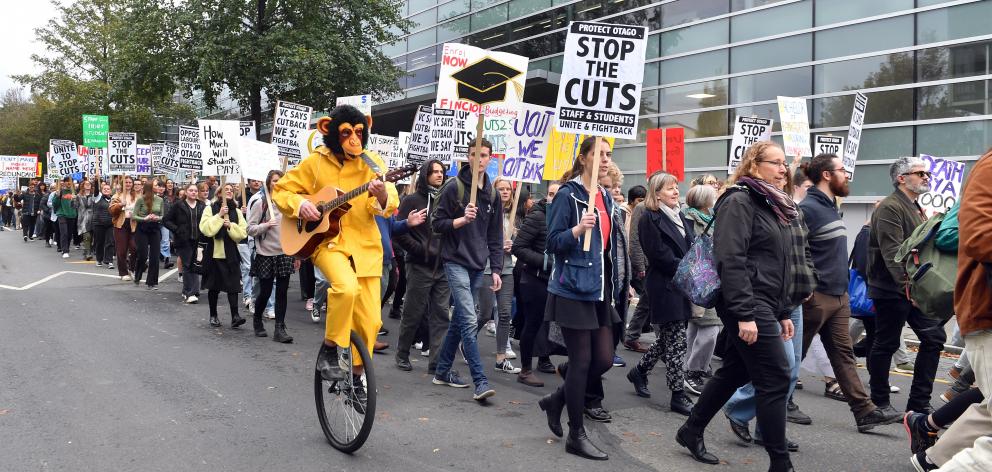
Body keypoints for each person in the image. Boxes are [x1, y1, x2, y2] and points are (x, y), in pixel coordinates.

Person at [676, 141, 795, 472]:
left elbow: (777, 262)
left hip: (766, 303)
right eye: (776, 163)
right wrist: (744, 314)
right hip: (747, 303)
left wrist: (783, 310)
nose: (784, 169)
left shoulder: (772, 203)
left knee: (736, 370)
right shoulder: (739, 200)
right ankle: (780, 462)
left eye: (785, 163)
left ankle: (691, 429)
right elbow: (732, 259)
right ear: (755, 165)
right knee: (775, 377)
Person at [272, 105, 398, 410]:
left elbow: (388, 202)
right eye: (347, 132)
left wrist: (381, 195)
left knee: (370, 322)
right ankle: (330, 347)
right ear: (330, 130)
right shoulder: (315, 163)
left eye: (358, 132)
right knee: (345, 288)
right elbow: (281, 191)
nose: (354, 137)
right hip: (328, 244)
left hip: (366, 247)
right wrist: (300, 204)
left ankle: (355, 379)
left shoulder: (372, 162)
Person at [797, 153, 904, 432]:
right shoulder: (807, 208)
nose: (848, 175)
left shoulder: (831, 206)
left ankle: (864, 411)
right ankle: (758, 404)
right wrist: (807, 288)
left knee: (843, 355)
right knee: (790, 356)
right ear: (827, 175)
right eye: (843, 170)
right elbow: (797, 251)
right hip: (816, 296)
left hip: (839, 296)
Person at [538, 137, 622, 461]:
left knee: (602, 360)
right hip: (572, 287)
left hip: (598, 290)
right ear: (584, 157)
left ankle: (557, 399)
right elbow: (552, 243)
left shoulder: (604, 196)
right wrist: (576, 229)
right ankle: (576, 434)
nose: (605, 160)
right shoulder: (567, 194)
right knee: (583, 361)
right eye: (599, 154)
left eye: (608, 155)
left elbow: (606, 250)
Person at [909, 148, 992, 471]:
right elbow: (975, 237)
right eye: (920, 174)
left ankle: (933, 457)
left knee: (987, 407)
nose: (925, 179)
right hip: (986, 311)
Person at [867, 156, 946, 415]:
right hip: (893, 288)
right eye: (920, 173)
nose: (926, 177)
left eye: (927, 174)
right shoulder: (890, 207)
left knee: (934, 338)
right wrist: (908, 289)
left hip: (912, 289)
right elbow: (893, 254)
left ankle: (919, 404)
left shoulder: (915, 206)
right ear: (902, 178)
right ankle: (878, 402)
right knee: (886, 343)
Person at [430, 138, 502, 402]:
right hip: (455, 261)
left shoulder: (492, 194)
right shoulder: (454, 187)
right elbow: (436, 224)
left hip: (477, 264)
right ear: (468, 156)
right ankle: (480, 382)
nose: (479, 159)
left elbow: (495, 234)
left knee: (461, 320)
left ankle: (442, 370)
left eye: (484, 155)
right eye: (474, 154)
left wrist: (496, 268)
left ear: (490, 158)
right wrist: (461, 220)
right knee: (470, 319)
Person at [626, 172, 695, 416]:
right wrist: (686, 267)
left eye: (676, 187)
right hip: (665, 284)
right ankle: (677, 393)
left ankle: (639, 371)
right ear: (656, 194)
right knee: (676, 340)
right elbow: (658, 254)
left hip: (681, 282)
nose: (676, 191)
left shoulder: (680, 216)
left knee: (669, 337)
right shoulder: (650, 218)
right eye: (669, 189)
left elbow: (690, 244)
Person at [394, 159, 451, 374]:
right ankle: (402, 353)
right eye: (434, 171)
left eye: (441, 171)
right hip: (419, 265)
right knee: (413, 312)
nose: (439, 175)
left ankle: (436, 362)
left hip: (443, 266)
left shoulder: (448, 200)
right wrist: (421, 250)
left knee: (441, 315)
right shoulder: (412, 200)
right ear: (425, 174)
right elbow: (399, 233)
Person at [512, 182, 560, 387]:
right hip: (535, 280)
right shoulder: (538, 216)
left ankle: (549, 359)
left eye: (558, 194)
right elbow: (518, 247)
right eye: (550, 194)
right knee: (533, 323)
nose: (554, 198)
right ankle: (525, 369)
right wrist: (545, 261)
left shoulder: (566, 218)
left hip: (557, 280)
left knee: (555, 323)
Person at [476, 177, 519, 374]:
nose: (505, 192)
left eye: (508, 189)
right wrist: (496, 246)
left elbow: (521, 243)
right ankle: (464, 341)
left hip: (507, 269)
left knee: (504, 314)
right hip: (487, 268)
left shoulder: (514, 216)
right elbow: (476, 239)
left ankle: (501, 357)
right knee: (484, 313)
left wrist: (513, 246)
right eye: (500, 188)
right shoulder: (485, 213)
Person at [246, 170, 295, 342]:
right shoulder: (261, 203)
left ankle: (279, 328)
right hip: (265, 253)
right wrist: (266, 225)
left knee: (282, 292)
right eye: (274, 180)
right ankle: (257, 319)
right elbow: (250, 229)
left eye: (281, 180)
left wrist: (297, 253)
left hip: (285, 252)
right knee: (265, 291)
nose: (278, 183)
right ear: (268, 183)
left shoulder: (290, 203)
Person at [681, 184, 721, 394]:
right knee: (710, 329)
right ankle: (693, 371)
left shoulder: (712, 217)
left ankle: (686, 369)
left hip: (710, 278)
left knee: (695, 327)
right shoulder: (689, 219)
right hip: (701, 279)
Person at [199, 183, 248, 328]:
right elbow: (206, 229)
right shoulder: (210, 208)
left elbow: (243, 233)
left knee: (233, 286)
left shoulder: (237, 212)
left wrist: (230, 226)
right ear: (219, 193)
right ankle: (213, 315)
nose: (229, 192)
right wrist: (219, 216)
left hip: (231, 254)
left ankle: (235, 316)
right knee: (213, 287)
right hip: (214, 254)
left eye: (231, 190)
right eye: (226, 190)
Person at [163, 183, 206, 303]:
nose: (193, 192)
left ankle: (193, 290)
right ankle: (189, 293)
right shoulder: (178, 205)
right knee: (187, 264)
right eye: (191, 190)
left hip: (198, 239)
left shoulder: (202, 205)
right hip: (183, 240)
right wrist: (177, 230)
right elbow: (166, 220)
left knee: (196, 265)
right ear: (186, 192)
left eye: (195, 191)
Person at [132, 180, 164, 290]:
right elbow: (134, 216)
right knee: (143, 255)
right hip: (142, 228)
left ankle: (152, 282)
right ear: (150, 187)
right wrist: (144, 218)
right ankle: (138, 273)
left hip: (155, 228)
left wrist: (157, 218)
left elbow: (163, 216)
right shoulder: (141, 199)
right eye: (156, 185)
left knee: (155, 257)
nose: (158, 187)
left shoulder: (160, 200)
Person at [110, 176, 139, 281]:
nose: (128, 184)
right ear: (122, 183)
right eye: (126, 182)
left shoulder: (137, 196)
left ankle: (132, 268)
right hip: (120, 225)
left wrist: (136, 214)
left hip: (134, 224)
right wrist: (120, 205)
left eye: (130, 182)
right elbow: (111, 211)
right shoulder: (117, 196)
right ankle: (123, 272)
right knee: (121, 251)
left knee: (135, 248)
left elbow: (142, 209)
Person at [90, 182, 115, 268]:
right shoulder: (97, 197)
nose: (106, 190)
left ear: (111, 191)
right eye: (104, 189)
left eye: (108, 189)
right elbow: (96, 191)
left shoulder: (113, 199)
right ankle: (99, 259)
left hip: (110, 224)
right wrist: (97, 180)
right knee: (99, 242)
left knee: (110, 242)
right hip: (99, 224)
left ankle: (109, 260)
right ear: (102, 190)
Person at [54, 177, 78, 258]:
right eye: (67, 181)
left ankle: (66, 247)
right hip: (62, 214)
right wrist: (57, 197)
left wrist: (75, 200)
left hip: (71, 215)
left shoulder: (74, 192)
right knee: (64, 233)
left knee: (69, 234)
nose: (68, 183)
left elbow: (76, 206)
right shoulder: (59, 192)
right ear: (63, 183)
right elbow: (55, 205)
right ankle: (65, 250)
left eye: (70, 181)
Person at [74, 179, 95, 261]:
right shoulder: (78, 196)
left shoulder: (94, 195)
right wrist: (73, 200)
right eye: (86, 184)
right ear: (82, 186)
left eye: (89, 184)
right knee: (87, 236)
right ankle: (88, 253)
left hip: (93, 218)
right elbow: (74, 206)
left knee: (92, 237)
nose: (87, 185)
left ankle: (86, 251)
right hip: (83, 219)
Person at [157, 179, 176, 269]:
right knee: (155, 241)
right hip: (154, 222)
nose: (161, 189)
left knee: (165, 241)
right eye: (159, 187)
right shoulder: (153, 198)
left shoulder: (167, 199)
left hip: (164, 223)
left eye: (162, 187)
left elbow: (169, 211)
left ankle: (167, 259)